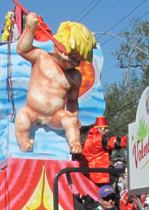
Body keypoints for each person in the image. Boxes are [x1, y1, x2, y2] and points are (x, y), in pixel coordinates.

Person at [15, 12, 96, 155]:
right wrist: (30, 28)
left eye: (79, 60)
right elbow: (22, 49)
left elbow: (72, 101)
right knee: (21, 118)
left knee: (69, 121)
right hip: (32, 111)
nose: (74, 63)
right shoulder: (41, 57)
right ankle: (24, 142)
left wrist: (74, 117)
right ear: (59, 46)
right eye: (72, 57)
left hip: (55, 116)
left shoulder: (75, 76)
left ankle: (74, 143)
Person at [79, 117, 127, 185]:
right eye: (105, 128)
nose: (107, 131)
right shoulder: (100, 139)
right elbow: (113, 142)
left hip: (89, 177)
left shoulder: (87, 141)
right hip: (100, 177)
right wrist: (127, 140)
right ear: (99, 129)